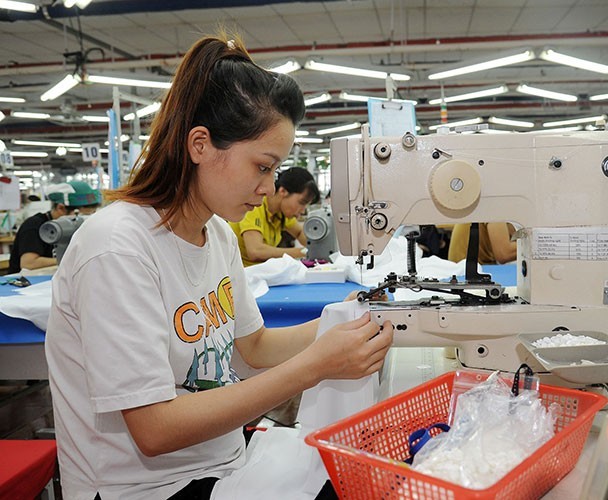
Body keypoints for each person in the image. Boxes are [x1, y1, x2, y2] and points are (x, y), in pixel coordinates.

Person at [44, 34, 393, 500]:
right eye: (263, 167)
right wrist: (315, 366)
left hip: (222, 463)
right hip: (146, 489)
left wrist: (344, 318)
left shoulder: (218, 235)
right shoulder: (118, 248)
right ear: (200, 145)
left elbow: (253, 347)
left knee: (368, 473)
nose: (269, 188)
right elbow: (154, 428)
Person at [229, 166, 320, 266]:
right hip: (243, 275)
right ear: (283, 192)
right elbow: (255, 251)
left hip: (263, 273)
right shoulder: (255, 207)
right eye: (302, 203)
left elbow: (299, 233)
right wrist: (303, 252)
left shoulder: (281, 215)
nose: (303, 210)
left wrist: (319, 248)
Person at [7, 181, 101, 274]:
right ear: (61, 208)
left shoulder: (76, 227)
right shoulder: (34, 225)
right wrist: (72, 259)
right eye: (81, 216)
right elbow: (28, 263)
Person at [447, 222, 517, 264]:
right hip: (468, 272)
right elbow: (504, 253)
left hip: (465, 268)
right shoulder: (495, 206)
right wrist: (527, 246)